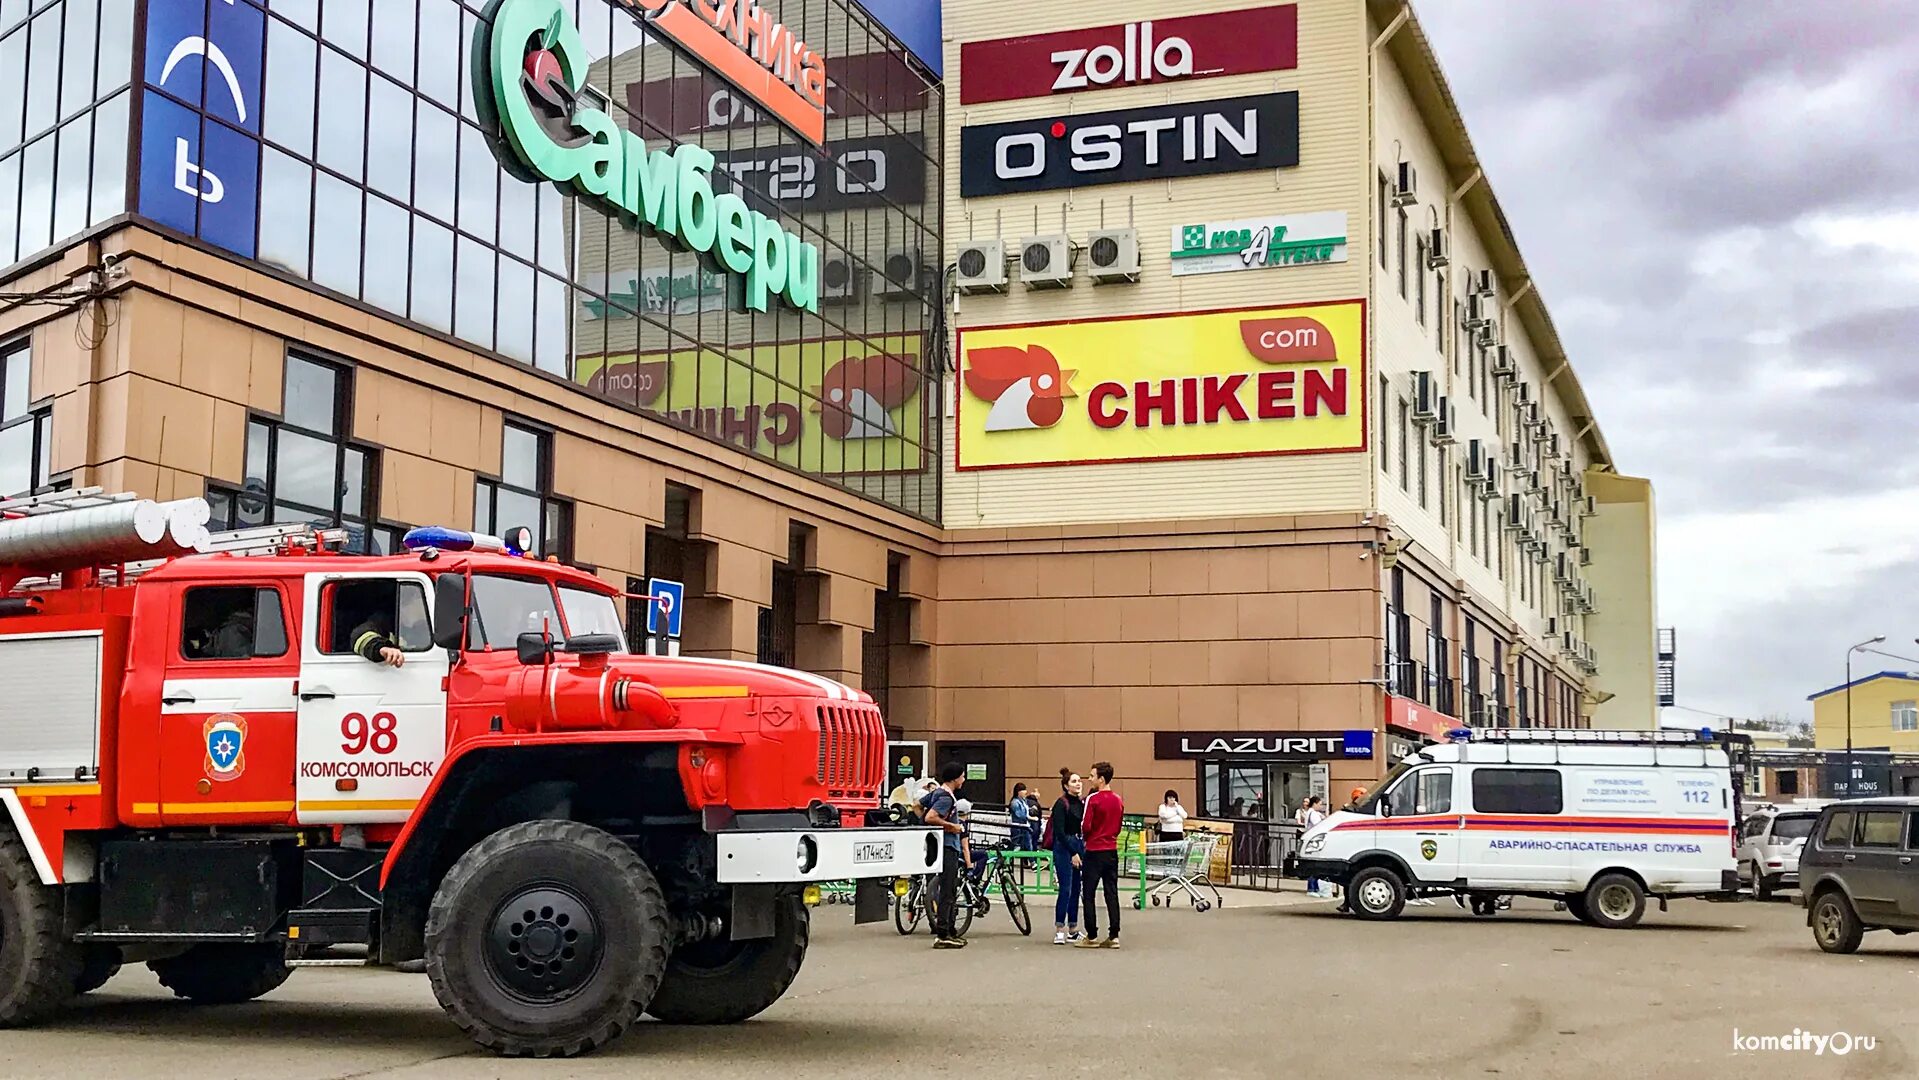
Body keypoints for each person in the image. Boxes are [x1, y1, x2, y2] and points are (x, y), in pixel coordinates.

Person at [920, 762, 969, 949]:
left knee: (947, 888)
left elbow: (918, 806)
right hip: (948, 845)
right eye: (962, 776)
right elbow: (930, 817)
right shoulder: (946, 798)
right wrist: (951, 827)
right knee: (948, 889)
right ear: (956, 778)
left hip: (937, 844)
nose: (963, 780)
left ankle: (950, 930)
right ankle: (943, 933)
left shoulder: (936, 793)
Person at [1077, 761, 1124, 949]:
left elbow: (1086, 825)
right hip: (1111, 849)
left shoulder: (1093, 799)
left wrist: (1087, 838)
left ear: (1101, 779)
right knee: (1111, 892)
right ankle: (1114, 935)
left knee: (1088, 893)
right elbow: (1119, 824)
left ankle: (1092, 934)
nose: (1089, 779)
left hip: (1095, 850)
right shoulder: (1118, 799)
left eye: (1092, 776)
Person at [1047, 769, 1086, 945]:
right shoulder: (1061, 804)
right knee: (1066, 888)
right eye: (1074, 781)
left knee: (1076, 889)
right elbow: (1060, 833)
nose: (1078, 784)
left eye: (1079, 781)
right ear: (1065, 785)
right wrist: (1073, 853)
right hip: (1064, 847)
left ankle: (1073, 928)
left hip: (1078, 843)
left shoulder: (1082, 803)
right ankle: (1059, 928)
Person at [1300, 796, 1330, 898]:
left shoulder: (1311, 812)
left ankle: (1315, 888)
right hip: (1313, 842)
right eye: (1319, 804)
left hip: (1311, 842)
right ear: (1315, 803)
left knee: (1314, 867)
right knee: (1313, 867)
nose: (1320, 806)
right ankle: (1311, 888)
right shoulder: (1313, 813)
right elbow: (1319, 826)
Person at [1008, 782, 1033, 850]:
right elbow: (1020, 814)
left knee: (1027, 844)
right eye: (1023, 790)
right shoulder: (1015, 802)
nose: (1025, 792)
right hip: (1017, 826)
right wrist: (1030, 818)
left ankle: (1030, 859)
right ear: (1019, 792)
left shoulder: (1023, 801)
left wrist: (1031, 810)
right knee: (1015, 844)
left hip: (1024, 826)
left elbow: (1025, 811)